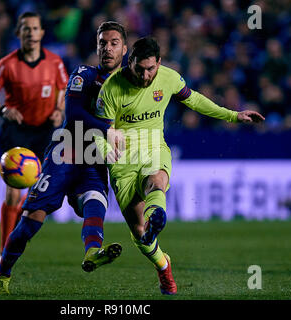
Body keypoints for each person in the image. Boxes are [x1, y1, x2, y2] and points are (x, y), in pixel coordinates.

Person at [94, 37, 265, 295]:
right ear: (130, 63)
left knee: (156, 181)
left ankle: (157, 216)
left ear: (159, 63)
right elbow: (98, 131)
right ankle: (164, 266)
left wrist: (233, 115)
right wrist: (107, 150)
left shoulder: (169, 78)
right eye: (139, 69)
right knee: (140, 235)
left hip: (154, 148)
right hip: (122, 162)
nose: (145, 75)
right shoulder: (111, 88)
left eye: (151, 69)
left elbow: (194, 100)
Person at [0, 21, 128, 295]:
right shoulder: (84, 74)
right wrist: (109, 130)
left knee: (95, 200)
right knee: (32, 219)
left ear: (124, 49)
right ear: (96, 46)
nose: (107, 48)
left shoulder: (130, 86)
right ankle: (2, 275)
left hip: (94, 159)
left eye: (114, 43)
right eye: (103, 43)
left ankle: (92, 252)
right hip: (65, 151)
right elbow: (75, 115)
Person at [0, 12, 68, 262]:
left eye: (35, 28)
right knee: (13, 193)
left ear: (42, 33)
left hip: (46, 131)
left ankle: (17, 234)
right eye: (25, 29)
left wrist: (60, 109)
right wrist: (3, 110)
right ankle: (4, 249)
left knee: (39, 191)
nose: (30, 33)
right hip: (17, 131)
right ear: (18, 34)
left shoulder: (55, 62)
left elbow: (64, 88)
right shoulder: (7, 64)